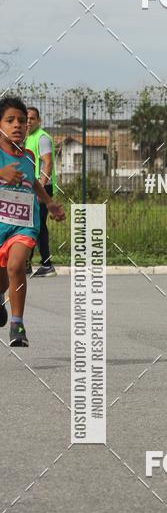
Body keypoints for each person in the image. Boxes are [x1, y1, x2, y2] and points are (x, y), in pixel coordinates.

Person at [0, 97, 64, 346]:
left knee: (16, 266)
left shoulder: (28, 156)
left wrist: (48, 203)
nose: (17, 125)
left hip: (23, 222)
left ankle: (17, 324)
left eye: (22, 121)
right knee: (2, 278)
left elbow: (33, 182)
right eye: (10, 120)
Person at [25, 106, 58, 276]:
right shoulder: (27, 138)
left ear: (39, 121)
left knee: (38, 226)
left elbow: (47, 163)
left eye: (32, 118)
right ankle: (26, 263)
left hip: (41, 187)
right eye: (27, 118)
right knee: (30, 224)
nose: (28, 121)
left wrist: (41, 189)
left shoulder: (42, 138)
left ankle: (47, 264)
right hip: (31, 186)